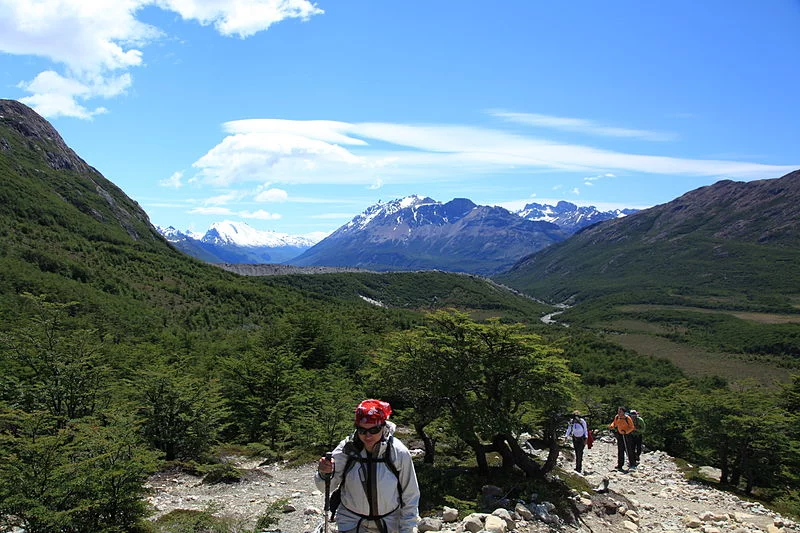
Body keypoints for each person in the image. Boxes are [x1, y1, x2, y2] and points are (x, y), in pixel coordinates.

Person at [316, 399, 420, 533]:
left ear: (383, 426)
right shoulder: (347, 449)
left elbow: (410, 494)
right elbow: (324, 487)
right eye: (362, 430)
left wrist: (407, 529)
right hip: (351, 523)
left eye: (374, 429)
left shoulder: (398, 452)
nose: (368, 435)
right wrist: (324, 473)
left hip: (389, 523)